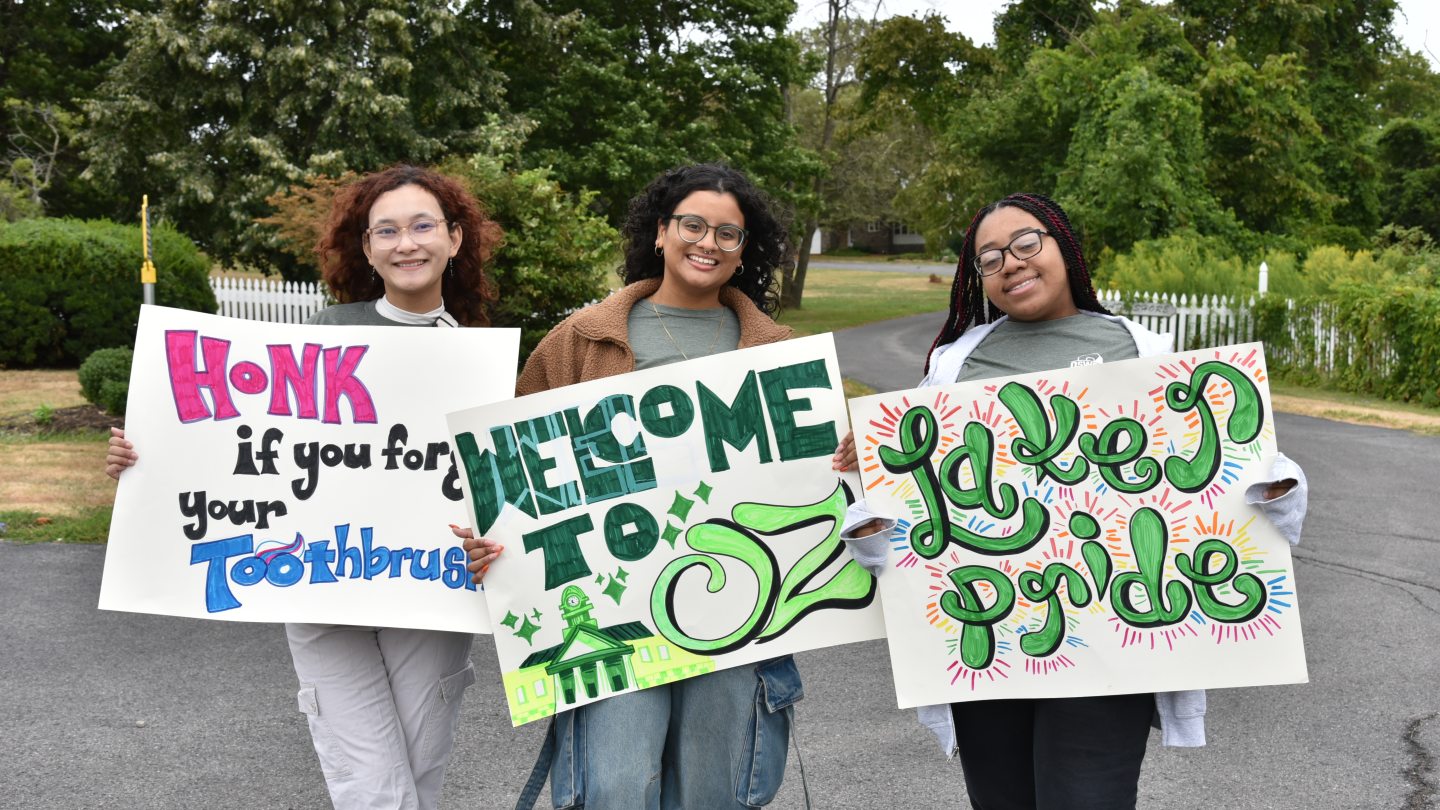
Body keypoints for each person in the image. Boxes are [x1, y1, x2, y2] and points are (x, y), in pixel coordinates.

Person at [832, 192, 1308, 810]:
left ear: (1064, 246)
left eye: (1027, 243)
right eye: (990, 257)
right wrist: (872, 475)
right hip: (988, 636)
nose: (1011, 262)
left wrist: (1275, 486)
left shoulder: (1141, 353)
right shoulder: (954, 365)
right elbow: (911, 503)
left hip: (1110, 636)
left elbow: (1229, 466)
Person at [106, 165, 507, 810]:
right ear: (368, 248)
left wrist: (491, 541)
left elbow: (495, 489)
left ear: (455, 239)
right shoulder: (320, 334)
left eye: (423, 225)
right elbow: (237, 438)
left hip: (431, 587)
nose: (406, 243)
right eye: (387, 231)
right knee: (369, 782)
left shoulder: (482, 360)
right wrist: (145, 456)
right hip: (319, 582)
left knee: (417, 766)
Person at [460, 163, 816, 810]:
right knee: (615, 789)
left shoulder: (781, 355)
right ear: (660, 232)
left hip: (733, 607)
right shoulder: (580, 339)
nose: (708, 243)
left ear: (744, 251)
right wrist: (494, 539)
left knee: (712, 792)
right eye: (693, 225)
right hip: (612, 610)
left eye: (728, 234)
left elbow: (809, 485)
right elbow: (517, 472)